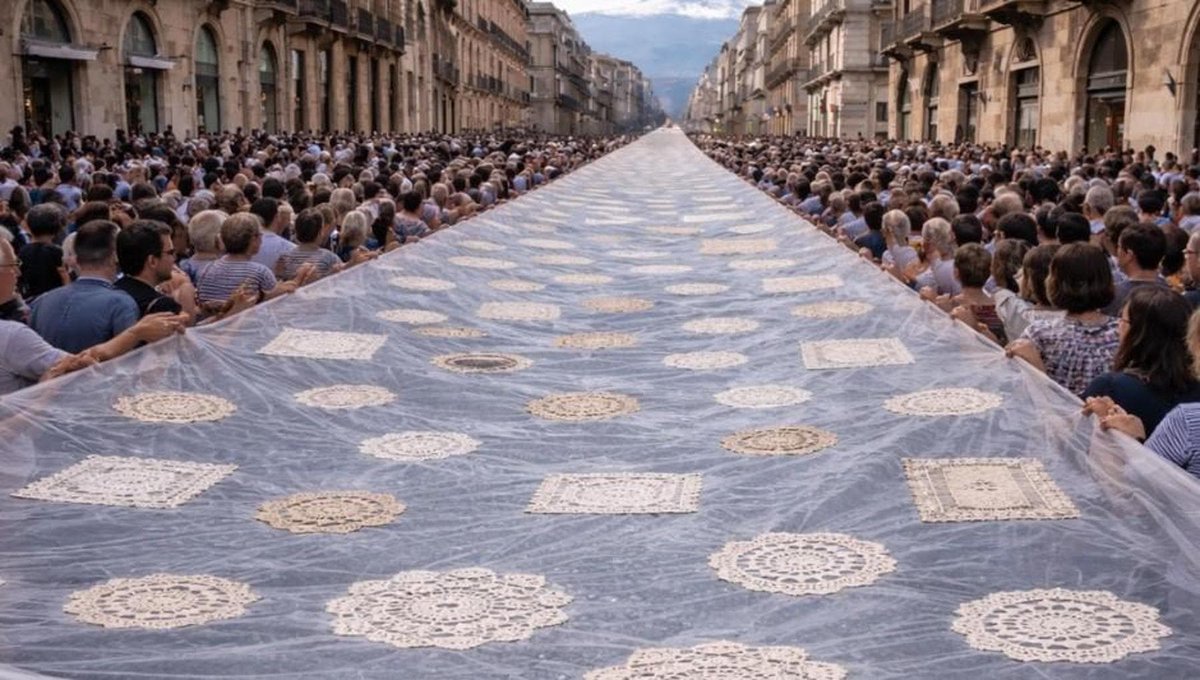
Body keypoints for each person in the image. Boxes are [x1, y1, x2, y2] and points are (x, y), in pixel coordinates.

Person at [0, 238, 184, 394]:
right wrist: (136, 334)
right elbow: (78, 367)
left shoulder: (42, 301)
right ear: (113, 257)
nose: (18, 272)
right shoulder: (10, 335)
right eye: (13, 265)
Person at [1082, 287, 1200, 435]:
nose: (1118, 326)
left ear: (1137, 333)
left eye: (1122, 320)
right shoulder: (1194, 391)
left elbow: (1073, 443)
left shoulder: (1110, 388)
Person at [1007, 243, 1119, 397]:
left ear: (1054, 282)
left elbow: (1022, 390)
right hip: (1114, 417)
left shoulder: (1039, 334)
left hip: (1055, 417)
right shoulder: (1123, 332)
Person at [28, 220, 143, 353]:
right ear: (115, 256)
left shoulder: (42, 302)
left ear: (77, 258)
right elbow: (129, 360)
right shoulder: (120, 303)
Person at [197, 212, 307, 307]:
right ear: (254, 240)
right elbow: (276, 302)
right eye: (260, 235)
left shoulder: (208, 269)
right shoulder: (259, 272)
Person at [114, 220, 197, 319]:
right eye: (170, 252)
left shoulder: (112, 292)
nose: (174, 258)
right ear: (152, 261)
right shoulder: (162, 306)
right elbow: (184, 333)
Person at [1104, 222, 1168, 315]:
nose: (1117, 251)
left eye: (1119, 246)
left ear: (1129, 255)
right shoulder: (1170, 292)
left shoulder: (1113, 297)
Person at [18, 203, 69, 301]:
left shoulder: (23, 251)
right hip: (54, 298)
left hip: (29, 299)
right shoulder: (57, 252)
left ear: (28, 226)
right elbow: (64, 276)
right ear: (58, 228)